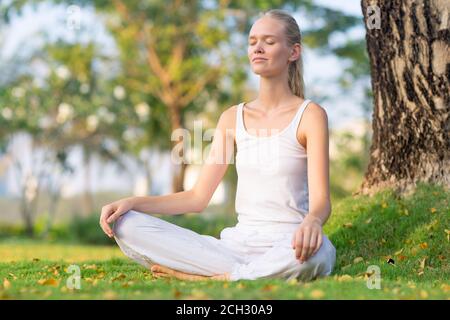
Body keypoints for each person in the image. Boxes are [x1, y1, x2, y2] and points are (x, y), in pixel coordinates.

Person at [99, 9, 336, 282]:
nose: (257, 48)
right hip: (234, 248)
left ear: (293, 52)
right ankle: (243, 274)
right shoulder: (231, 118)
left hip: (290, 244)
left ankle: (213, 278)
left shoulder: (310, 115)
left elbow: (321, 202)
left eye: (269, 41)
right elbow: (197, 198)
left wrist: (312, 222)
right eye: (252, 41)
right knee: (127, 224)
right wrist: (132, 202)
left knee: (319, 253)